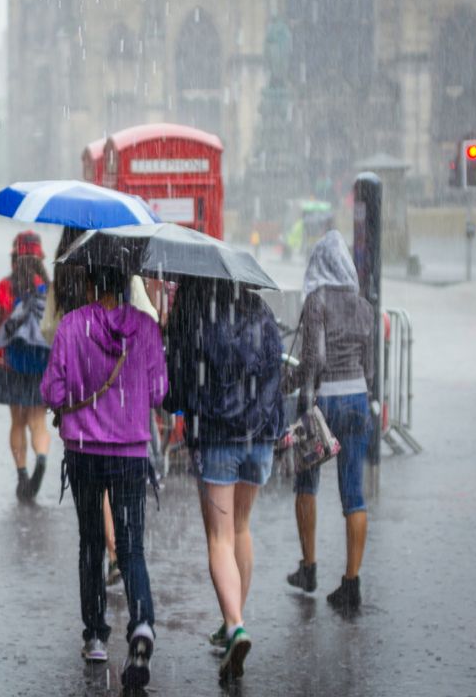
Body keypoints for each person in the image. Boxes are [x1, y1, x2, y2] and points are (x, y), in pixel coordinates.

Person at [41, 264, 167, 690]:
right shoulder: (146, 329)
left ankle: (95, 635)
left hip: (83, 453)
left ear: (95, 284)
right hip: (131, 452)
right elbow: (159, 392)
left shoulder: (73, 325)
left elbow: (53, 392)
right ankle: (143, 623)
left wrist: (79, 395)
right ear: (127, 284)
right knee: (131, 548)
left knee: (92, 541)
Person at [164, 277, 283, 683]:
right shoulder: (259, 310)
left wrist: (175, 403)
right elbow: (275, 368)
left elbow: (177, 378)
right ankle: (234, 621)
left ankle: (235, 624)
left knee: (219, 537)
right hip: (260, 435)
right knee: (242, 528)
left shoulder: (193, 312)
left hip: (218, 436)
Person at [286, 230, 375, 611]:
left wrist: (284, 383)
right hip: (357, 399)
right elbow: (370, 368)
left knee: (306, 483)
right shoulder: (364, 306)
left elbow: (313, 362)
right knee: (353, 493)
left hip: (322, 403)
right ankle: (351, 582)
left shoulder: (316, 301)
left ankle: (309, 567)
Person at [0, 231, 52, 501]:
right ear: (40, 258)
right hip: (40, 362)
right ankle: (41, 458)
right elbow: (53, 327)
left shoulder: (4, 286)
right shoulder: (48, 288)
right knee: (38, 421)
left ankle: (22, 474)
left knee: (17, 421)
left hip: (10, 363)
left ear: (15, 256)